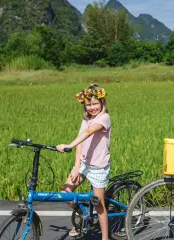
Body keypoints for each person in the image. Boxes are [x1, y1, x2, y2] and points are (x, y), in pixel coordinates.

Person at [56, 84, 112, 239]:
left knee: (99, 205)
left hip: (99, 167)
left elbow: (88, 132)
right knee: (65, 194)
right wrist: (77, 166)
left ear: (102, 102)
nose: (92, 107)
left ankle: (105, 237)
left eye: (95, 103)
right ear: (84, 106)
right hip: (84, 165)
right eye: (88, 105)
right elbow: (81, 142)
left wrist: (68, 145)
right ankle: (84, 216)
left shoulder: (104, 118)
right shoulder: (86, 119)